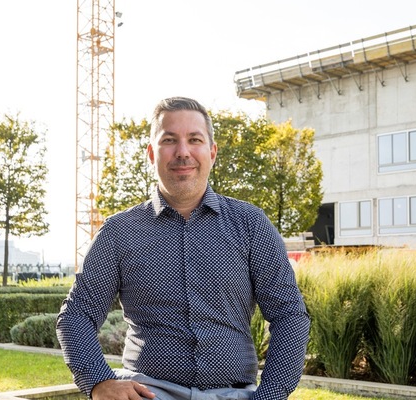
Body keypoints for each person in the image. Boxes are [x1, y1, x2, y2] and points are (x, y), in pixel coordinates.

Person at [56, 96, 310, 400]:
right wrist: (98, 381)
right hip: (148, 392)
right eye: (169, 140)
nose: (183, 152)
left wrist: (269, 395)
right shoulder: (119, 232)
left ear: (212, 152)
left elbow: (289, 314)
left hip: (234, 394)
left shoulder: (250, 224)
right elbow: (78, 314)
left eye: (194, 140)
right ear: (152, 154)